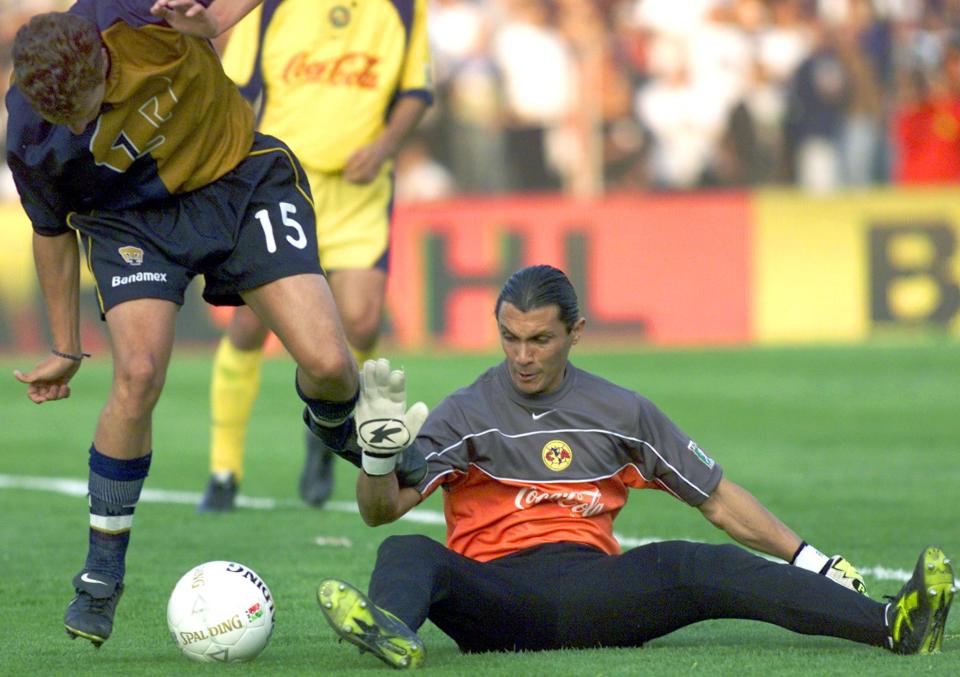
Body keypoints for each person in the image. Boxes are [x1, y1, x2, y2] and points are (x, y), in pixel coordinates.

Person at [5, 0, 421, 649]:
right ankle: (100, 577)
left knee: (332, 364)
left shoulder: (131, 13)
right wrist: (65, 344)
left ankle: (354, 440)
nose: (77, 123)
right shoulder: (30, 132)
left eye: (85, 104)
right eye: (64, 116)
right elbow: (50, 232)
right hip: (130, 222)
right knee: (138, 373)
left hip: (240, 178)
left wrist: (214, 22)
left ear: (101, 57)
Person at [315, 265, 955, 669]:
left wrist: (811, 560)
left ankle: (896, 627)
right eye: (510, 337)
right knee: (408, 548)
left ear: (577, 332)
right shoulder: (464, 410)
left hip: (599, 596)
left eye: (540, 339)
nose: (523, 355)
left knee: (693, 561)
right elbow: (379, 511)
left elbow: (719, 500)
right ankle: (392, 633)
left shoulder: (621, 410)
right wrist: (375, 458)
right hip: (496, 598)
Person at [194, 0, 433, 512]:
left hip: (358, 189)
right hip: (279, 184)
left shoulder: (404, 9)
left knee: (362, 323)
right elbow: (238, 87)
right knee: (248, 327)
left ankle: (336, 429)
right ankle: (224, 469)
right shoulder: (268, 6)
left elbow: (415, 90)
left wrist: (386, 146)